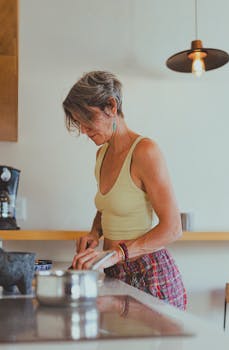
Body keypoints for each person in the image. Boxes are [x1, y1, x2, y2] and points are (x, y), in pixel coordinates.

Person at [63, 71, 187, 310]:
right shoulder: (101, 155)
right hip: (114, 272)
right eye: (79, 123)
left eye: (88, 120)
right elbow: (107, 207)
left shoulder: (145, 151)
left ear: (111, 106)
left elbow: (172, 228)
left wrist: (117, 254)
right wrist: (93, 234)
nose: (84, 130)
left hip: (150, 276)